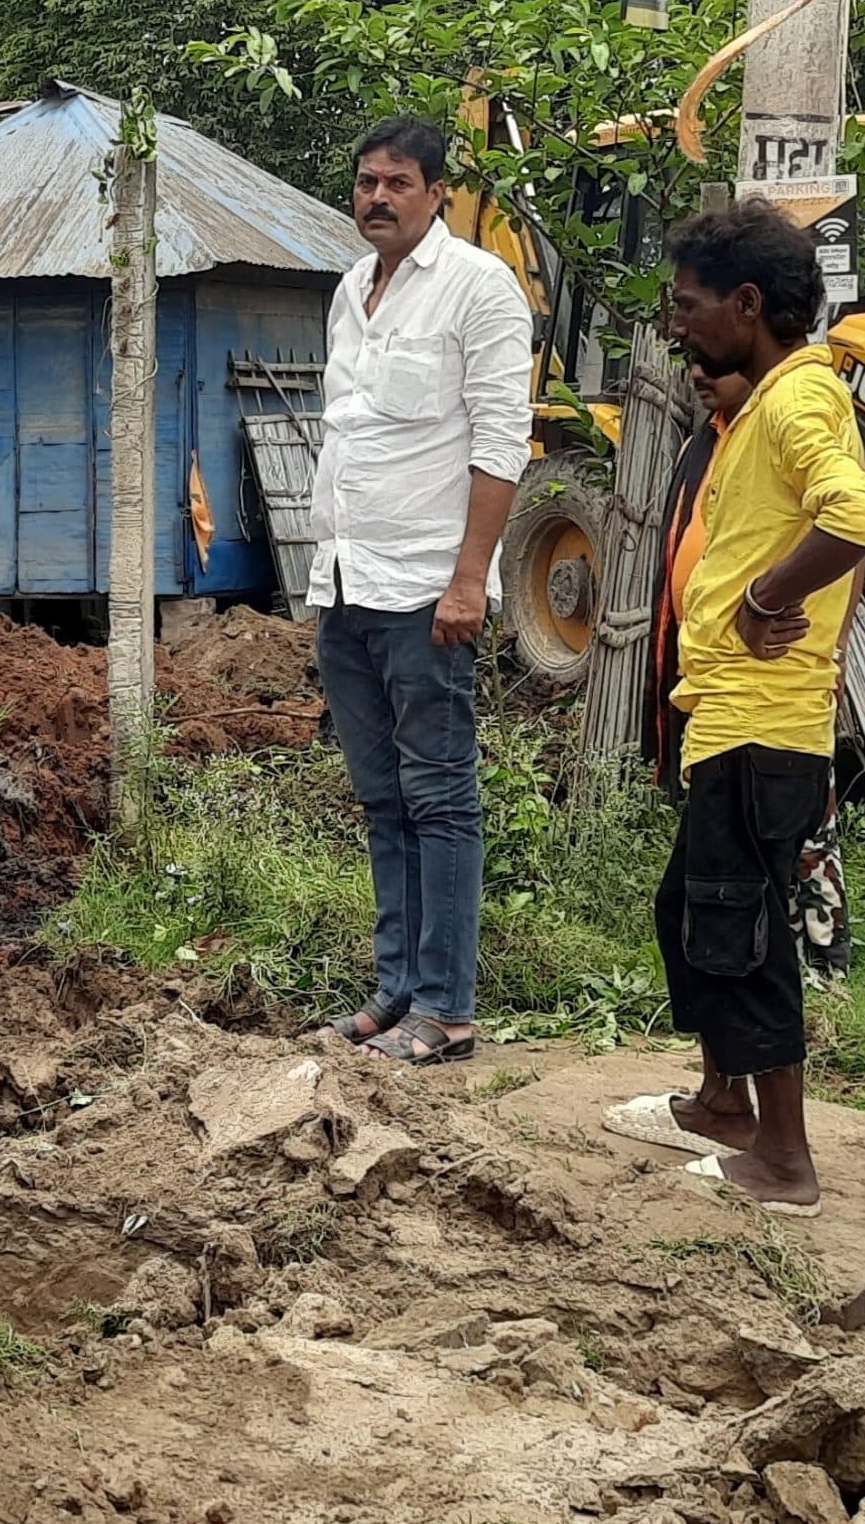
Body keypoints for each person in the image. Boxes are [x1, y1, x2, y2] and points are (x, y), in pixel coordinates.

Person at [606, 201, 865, 1218]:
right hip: (731, 714)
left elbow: (854, 513)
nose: (676, 322)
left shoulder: (798, 400)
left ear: (747, 304)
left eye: (687, 305)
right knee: (690, 914)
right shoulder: (765, 401)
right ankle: (724, 1102)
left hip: (765, 725)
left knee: (744, 932)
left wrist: (770, 596)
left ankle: (784, 1162)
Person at [306, 116, 534, 1065]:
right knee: (381, 797)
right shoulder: (350, 290)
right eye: (366, 182)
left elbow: (499, 439)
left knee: (440, 796)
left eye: (398, 183)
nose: (377, 199)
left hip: (426, 588)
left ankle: (448, 1005)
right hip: (347, 580)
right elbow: (350, 434)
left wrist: (469, 577)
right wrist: (323, 574)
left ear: (437, 193)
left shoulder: (480, 289)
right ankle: (396, 990)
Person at [646, 364, 857, 982]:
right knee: (710, 897)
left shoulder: (788, 422)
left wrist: (828, 645)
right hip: (716, 686)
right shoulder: (705, 444)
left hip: (775, 692)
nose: (697, 371)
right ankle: (733, 1066)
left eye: (716, 360)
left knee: (783, 861)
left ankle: (818, 963)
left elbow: (851, 533)